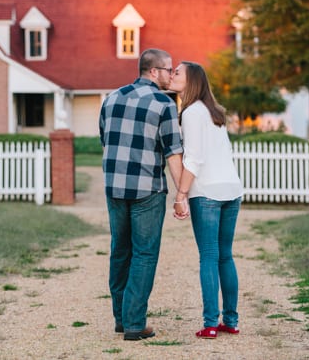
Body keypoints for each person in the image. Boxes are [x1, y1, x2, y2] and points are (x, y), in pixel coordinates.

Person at [99, 48, 184, 341]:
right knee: (144, 254)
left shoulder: (111, 99)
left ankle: (121, 319)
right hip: (147, 190)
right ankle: (135, 324)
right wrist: (181, 195)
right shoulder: (164, 103)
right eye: (169, 70)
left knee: (120, 251)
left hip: (114, 188)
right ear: (153, 71)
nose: (172, 75)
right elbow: (174, 153)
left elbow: (104, 140)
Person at [169, 61, 244, 339]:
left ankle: (211, 322)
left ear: (192, 82)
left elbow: (194, 158)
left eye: (177, 72)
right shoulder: (214, 113)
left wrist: (181, 195)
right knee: (225, 256)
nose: (172, 74)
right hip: (231, 190)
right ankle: (231, 321)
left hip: (208, 193)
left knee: (209, 257)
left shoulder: (190, 112)